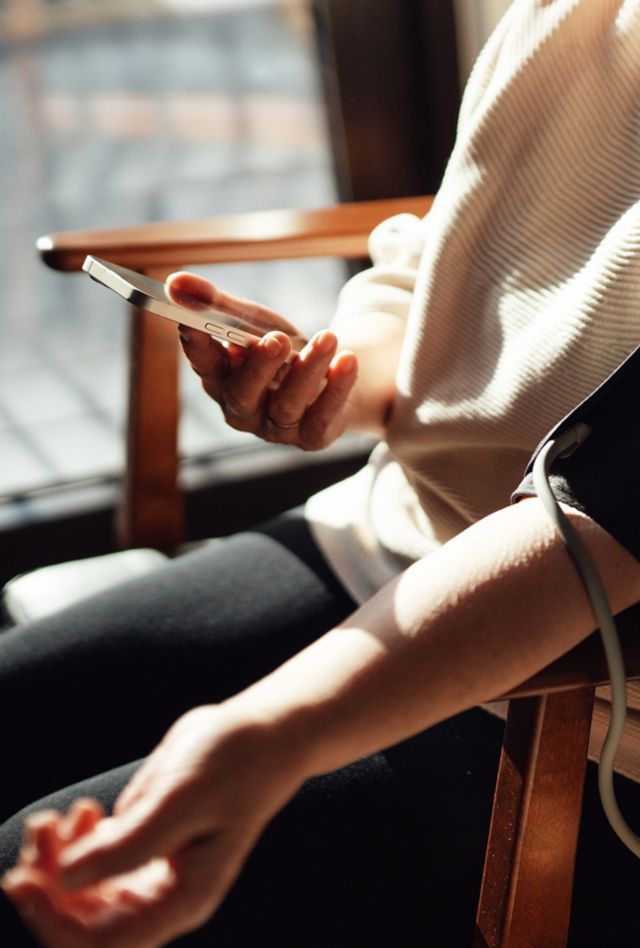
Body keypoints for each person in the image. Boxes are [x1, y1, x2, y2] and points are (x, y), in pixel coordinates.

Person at [3, 0, 640, 944]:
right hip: (398, 530)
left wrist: (269, 735)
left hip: (586, 698)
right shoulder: (570, 17)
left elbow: (604, 526)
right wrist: (334, 381)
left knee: (27, 885)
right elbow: (445, 274)